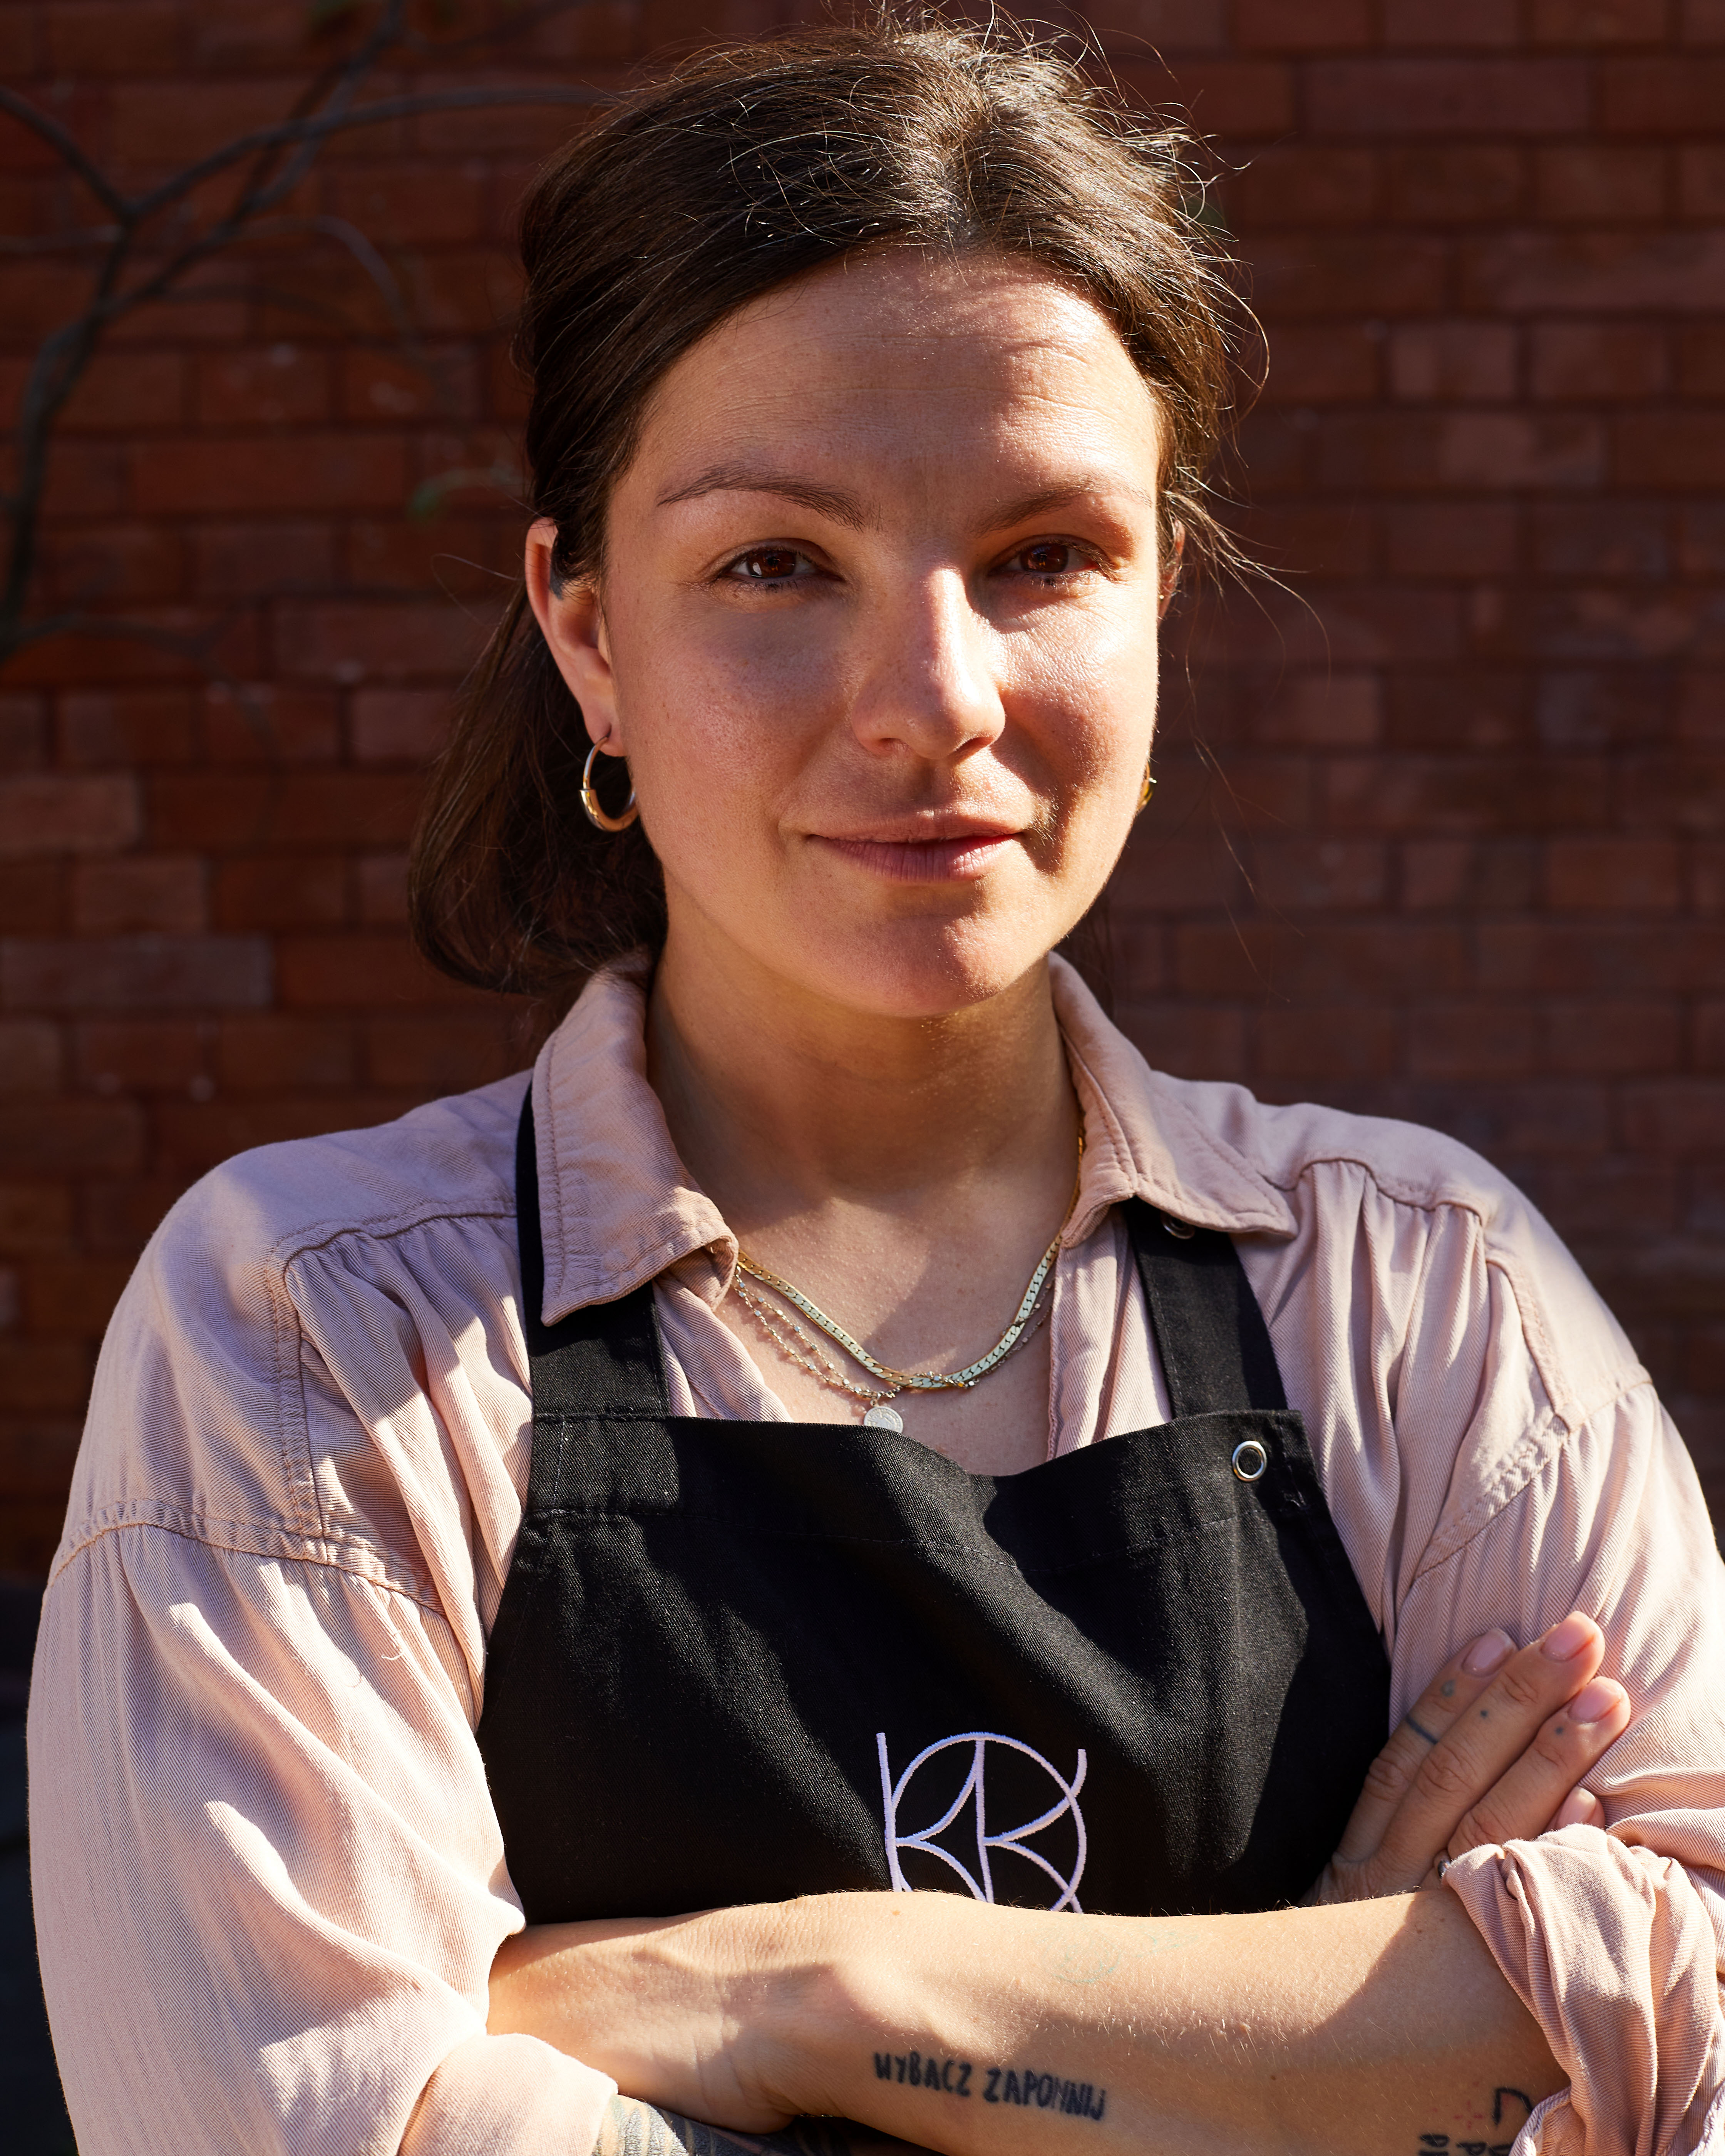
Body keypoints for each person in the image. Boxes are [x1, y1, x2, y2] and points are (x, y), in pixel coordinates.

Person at [28, 17, 1725, 2156]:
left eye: (1044, 555)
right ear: (587, 634)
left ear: (1165, 595)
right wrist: (1307, 2041)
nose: (934, 700)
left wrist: (822, 1998)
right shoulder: (315, 1346)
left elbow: (1704, 2033)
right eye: (775, 564)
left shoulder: (1425, 1296)